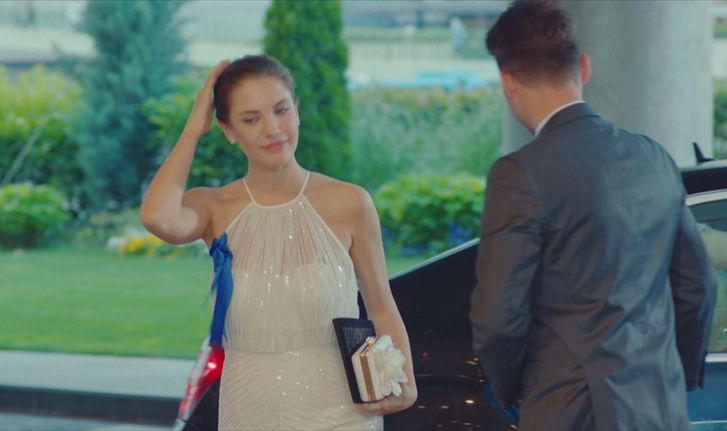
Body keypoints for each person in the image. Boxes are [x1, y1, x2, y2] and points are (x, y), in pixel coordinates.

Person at [470, 1, 716, 430]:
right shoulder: (653, 157)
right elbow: (697, 287)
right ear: (584, 67)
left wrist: (516, 391)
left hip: (571, 409)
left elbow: (499, 319)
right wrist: (672, 375)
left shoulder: (521, 174)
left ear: (507, 82)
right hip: (659, 407)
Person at [139, 55, 416, 430]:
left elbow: (380, 305)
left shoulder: (350, 203)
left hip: (339, 413)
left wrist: (405, 377)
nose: (272, 129)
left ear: (297, 111)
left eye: (281, 110)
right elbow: (157, 216)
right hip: (247, 407)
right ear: (228, 129)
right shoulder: (213, 207)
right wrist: (192, 129)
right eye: (251, 119)